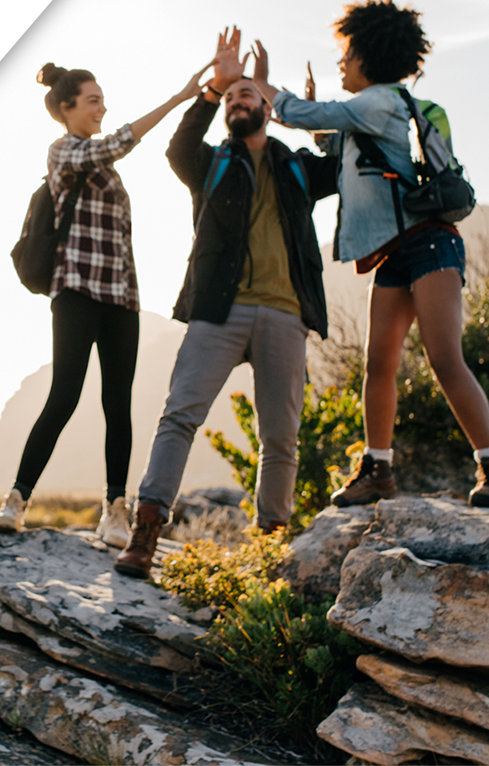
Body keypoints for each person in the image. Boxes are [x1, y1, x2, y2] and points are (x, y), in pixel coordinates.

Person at [262, 0, 489, 509]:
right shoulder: (371, 112)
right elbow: (342, 149)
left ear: (369, 56)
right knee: (379, 364)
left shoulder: (380, 100)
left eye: (347, 54)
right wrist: (319, 123)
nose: (340, 64)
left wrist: (271, 90)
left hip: (430, 244)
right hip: (397, 252)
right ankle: (377, 469)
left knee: (444, 358)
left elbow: (320, 115)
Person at [114, 29, 338, 577]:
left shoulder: (297, 167)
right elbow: (176, 149)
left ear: (267, 105)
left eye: (248, 95)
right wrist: (211, 91)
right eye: (232, 98)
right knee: (179, 417)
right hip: (217, 309)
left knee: (280, 438)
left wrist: (299, 113)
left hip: (287, 314)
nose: (238, 101)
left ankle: (269, 546)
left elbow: (343, 163)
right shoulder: (211, 162)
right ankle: (146, 532)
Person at [0, 60, 211, 546]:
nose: (102, 107)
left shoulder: (104, 168)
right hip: (75, 290)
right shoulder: (64, 151)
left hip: (121, 296)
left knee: (118, 402)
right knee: (63, 395)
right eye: (93, 100)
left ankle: (115, 511)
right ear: (67, 108)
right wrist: (179, 98)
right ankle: (16, 501)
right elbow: (120, 143)